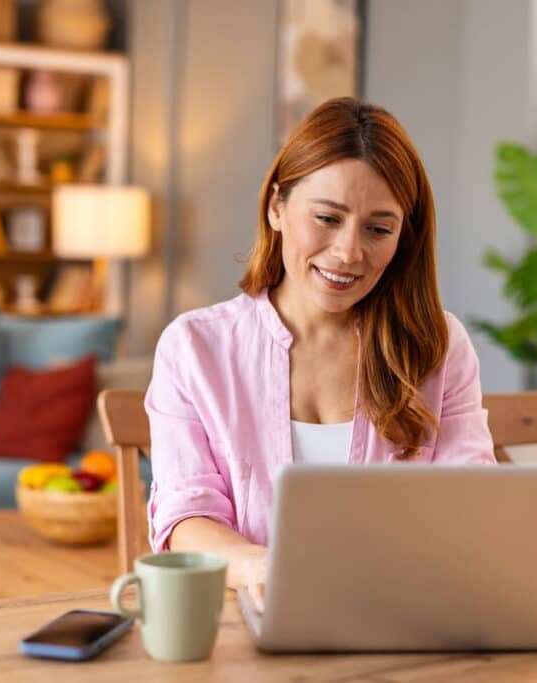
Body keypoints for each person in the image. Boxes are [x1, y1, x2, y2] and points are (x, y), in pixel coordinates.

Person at [144, 97, 495, 602]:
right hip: (247, 629)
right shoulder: (196, 347)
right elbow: (185, 517)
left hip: (403, 618)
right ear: (276, 206)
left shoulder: (437, 345)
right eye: (328, 218)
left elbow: (471, 501)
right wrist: (261, 567)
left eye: (379, 228)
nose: (350, 252)